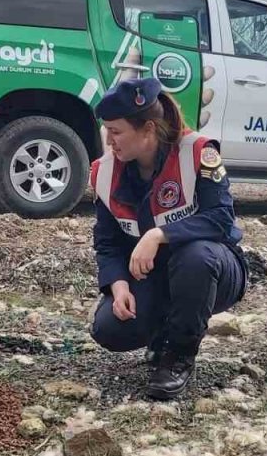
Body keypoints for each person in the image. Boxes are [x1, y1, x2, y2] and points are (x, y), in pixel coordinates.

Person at [89, 77, 249, 400]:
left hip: (215, 270)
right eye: (106, 130)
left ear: (147, 129)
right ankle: (160, 336)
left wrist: (159, 234)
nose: (109, 141)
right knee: (108, 327)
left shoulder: (198, 153)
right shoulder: (105, 171)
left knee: (196, 258)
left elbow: (221, 219)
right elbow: (107, 242)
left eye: (116, 131)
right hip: (155, 276)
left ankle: (178, 356)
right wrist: (117, 284)